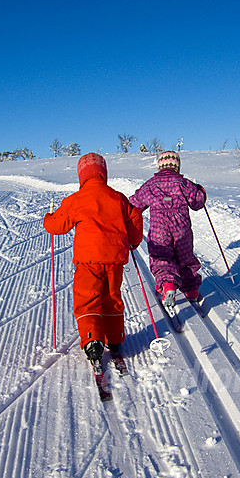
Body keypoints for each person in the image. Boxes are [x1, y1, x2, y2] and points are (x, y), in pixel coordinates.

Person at [43, 153, 144, 368]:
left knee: (87, 297)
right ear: (103, 173)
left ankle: (92, 339)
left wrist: (48, 218)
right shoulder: (117, 197)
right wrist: (133, 242)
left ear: (82, 175)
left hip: (88, 259)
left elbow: (57, 225)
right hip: (115, 258)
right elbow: (135, 216)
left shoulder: (77, 199)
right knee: (111, 296)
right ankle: (115, 338)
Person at [129, 150, 206, 310]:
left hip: (159, 228)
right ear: (176, 166)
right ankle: (191, 290)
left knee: (161, 256)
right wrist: (201, 192)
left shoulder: (151, 184)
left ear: (160, 166)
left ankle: (168, 284)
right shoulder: (183, 183)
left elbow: (135, 204)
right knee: (185, 257)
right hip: (181, 227)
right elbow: (197, 202)